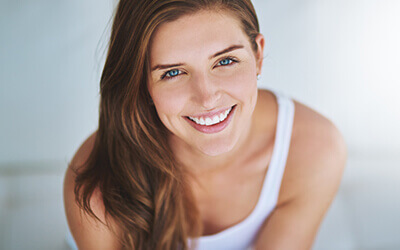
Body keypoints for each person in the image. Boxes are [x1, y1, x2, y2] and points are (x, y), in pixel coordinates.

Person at [63, 0, 347, 249]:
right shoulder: (97, 182)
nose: (207, 98)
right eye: (173, 72)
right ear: (142, 83)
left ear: (258, 55)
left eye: (225, 61)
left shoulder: (314, 150)